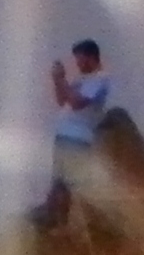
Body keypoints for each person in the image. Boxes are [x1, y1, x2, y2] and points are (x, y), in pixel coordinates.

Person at [42, 37, 114, 227]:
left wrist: (62, 80)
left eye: (80, 59)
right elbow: (62, 100)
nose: (78, 64)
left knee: (70, 184)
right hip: (64, 136)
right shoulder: (81, 79)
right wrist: (57, 80)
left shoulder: (100, 79)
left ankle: (68, 224)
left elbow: (76, 102)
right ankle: (55, 224)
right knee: (58, 182)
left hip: (79, 138)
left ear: (91, 58)